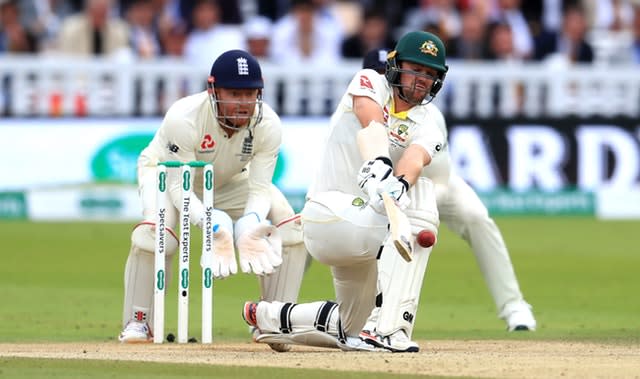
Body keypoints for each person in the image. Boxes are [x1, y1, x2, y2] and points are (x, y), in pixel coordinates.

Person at [243, 31, 449, 353]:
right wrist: (379, 163)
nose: (422, 79)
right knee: (419, 206)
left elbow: (415, 158)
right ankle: (387, 330)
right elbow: (371, 121)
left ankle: (270, 317)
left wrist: (399, 183)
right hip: (328, 214)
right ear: (396, 66)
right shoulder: (369, 81)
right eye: (416, 69)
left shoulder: (429, 122)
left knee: (349, 327)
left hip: (369, 228)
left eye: (430, 74)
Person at [119, 49, 308, 344]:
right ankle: (139, 321)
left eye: (251, 94)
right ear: (213, 90)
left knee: (291, 227)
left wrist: (250, 223)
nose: (244, 103)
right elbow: (179, 188)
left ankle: (274, 319)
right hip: (167, 173)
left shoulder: (268, 124)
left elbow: (259, 189)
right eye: (235, 93)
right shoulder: (184, 118)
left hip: (230, 179)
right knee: (158, 235)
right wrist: (212, 223)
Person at [360, 49, 537, 334]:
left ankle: (514, 306)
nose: (384, 80)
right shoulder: (359, 105)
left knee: (477, 217)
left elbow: (433, 176)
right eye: (377, 74)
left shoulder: (430, 117)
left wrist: (406, 204)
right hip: (382, 189)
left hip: (436, 186)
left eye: (386, 72)